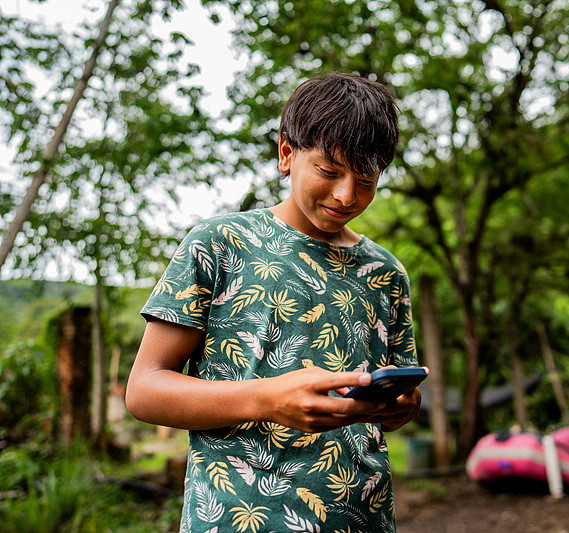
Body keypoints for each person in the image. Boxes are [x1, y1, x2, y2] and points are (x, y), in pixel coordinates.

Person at [126, 72, 424, 532]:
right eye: (329, 171)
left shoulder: (386, 273)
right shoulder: (219, 244)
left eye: (366, 180)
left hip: (363, 518)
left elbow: (397, 405)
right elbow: (144, 391)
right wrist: (267, 399)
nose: (346, 195)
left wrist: (401, 405)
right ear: (287, 153)